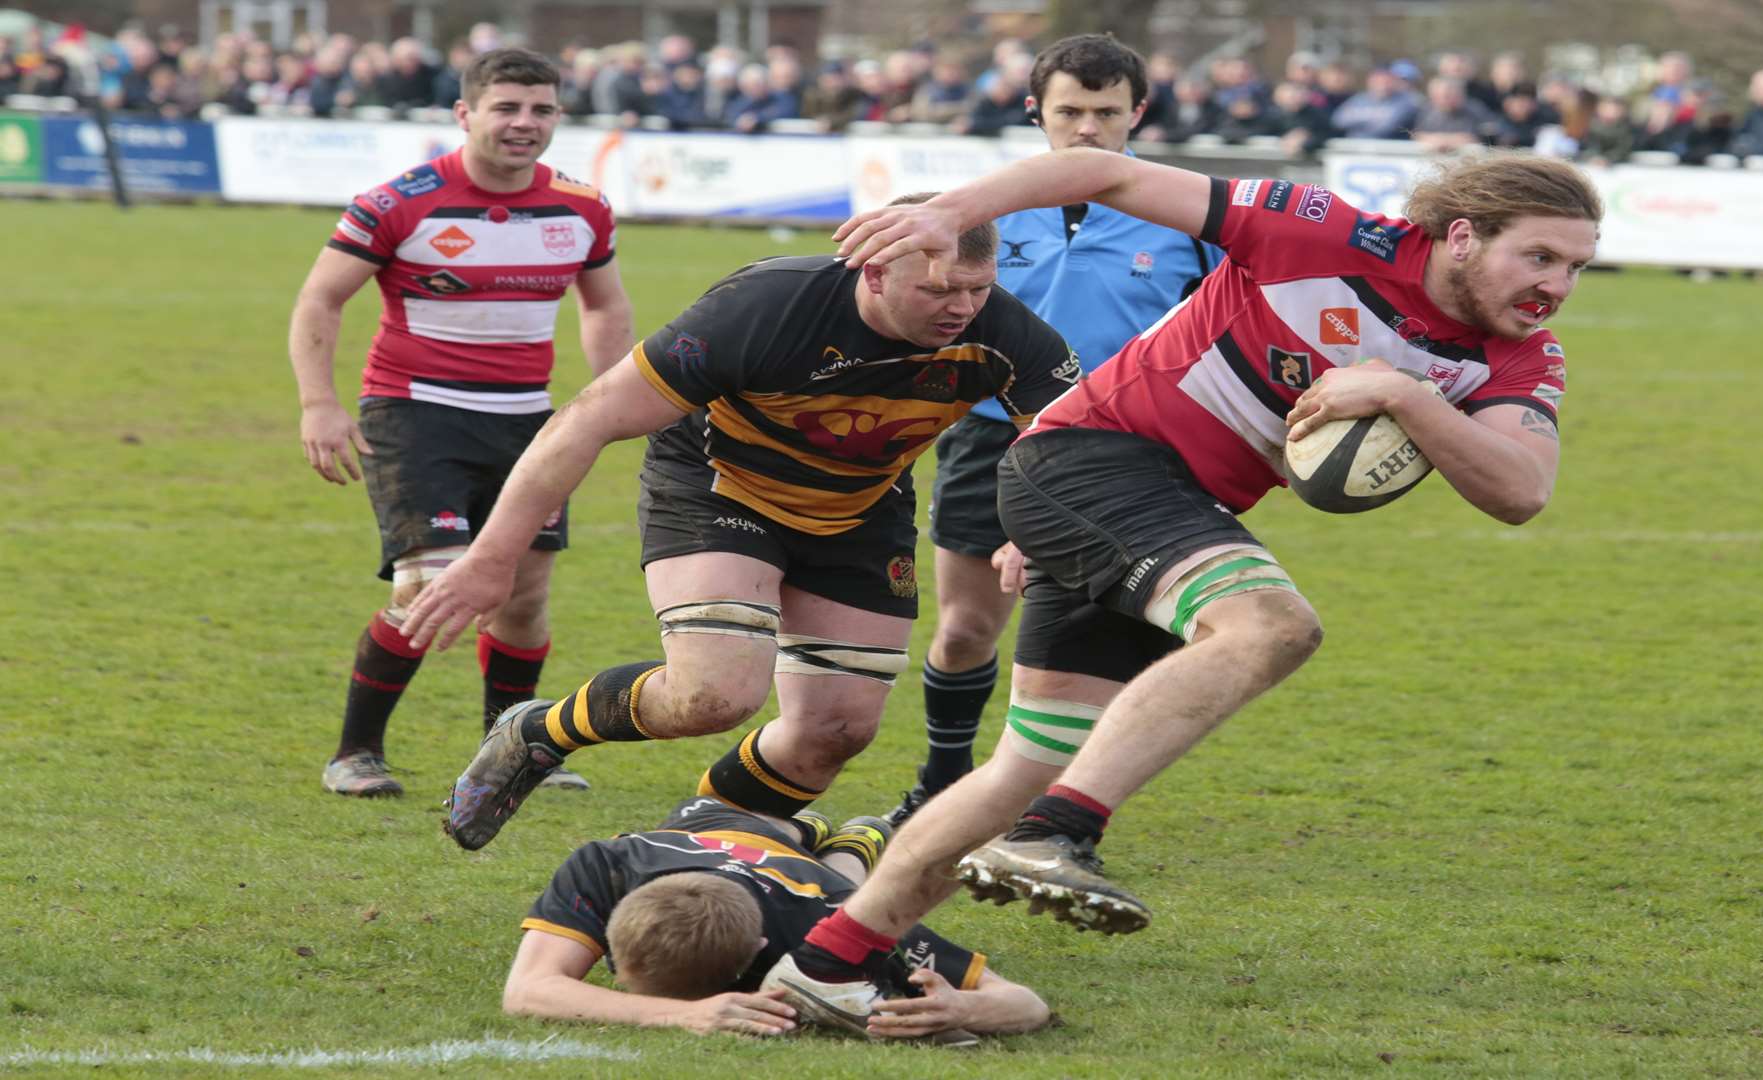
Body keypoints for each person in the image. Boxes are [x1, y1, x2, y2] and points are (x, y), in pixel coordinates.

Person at [757, 149, 1600, 1025]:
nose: (1557, 285)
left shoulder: (1520, 359)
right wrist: (948, 213)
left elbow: (1521, 489)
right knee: (1272, 627)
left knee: (1022, 767)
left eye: (1576, 266)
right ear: (1461, 236)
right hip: (1090, 460)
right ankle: (1057, 833)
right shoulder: (1318, 227)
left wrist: (1405, 395)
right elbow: (1100, 170)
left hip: (1161, 508)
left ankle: (826, 960)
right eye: (1538, 257)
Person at [400, 196, 1080, 852]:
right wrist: (493, 558)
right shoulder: (767, 307)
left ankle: (686, 848)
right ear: (873, 271)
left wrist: (1034, 525)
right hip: (719, 489)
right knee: (714, 695)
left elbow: (1073, 440)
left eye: (977, 288)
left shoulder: (1004, 332)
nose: (962, 309)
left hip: (860, 510)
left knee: (836, 730)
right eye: (938, 291)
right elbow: (589, 417)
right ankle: (540, 729)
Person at [886, 33, 1220, 827]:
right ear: (1037, 111)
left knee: (1086, 643)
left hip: (1123, 453)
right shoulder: (984, 210)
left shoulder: (1189, 218)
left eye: (1106, 112)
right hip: (990, 436)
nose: (1087, 130)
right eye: (1070, 111)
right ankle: (942, 782)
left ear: (1138, 113)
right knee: (967, 627)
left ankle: (1054, 804)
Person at [289, 48, 633, 798]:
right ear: (465, 114)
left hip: (530, 422)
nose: (524, 123)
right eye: (506, 107)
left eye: (540, 109)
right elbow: (320, 300)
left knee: (524, 595)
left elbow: (603, 306)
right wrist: (319, 402)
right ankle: (355, 753)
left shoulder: (582, 206)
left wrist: (613, 400)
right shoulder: (396, 202)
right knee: (426, 584)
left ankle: (508, 752)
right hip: (416, 412)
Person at [505, 796, 1049, 1039]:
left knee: (854, 888)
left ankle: (859, 839)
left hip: (810, 885)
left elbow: (1028, 1003)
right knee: (784, 830)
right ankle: (822, 835)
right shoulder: (606, 863)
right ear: (611, 921)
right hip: (703, 827)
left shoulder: (826, 924)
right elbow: (526, 993)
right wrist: (677, 1015)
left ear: (760, 948)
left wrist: (959, 1008)